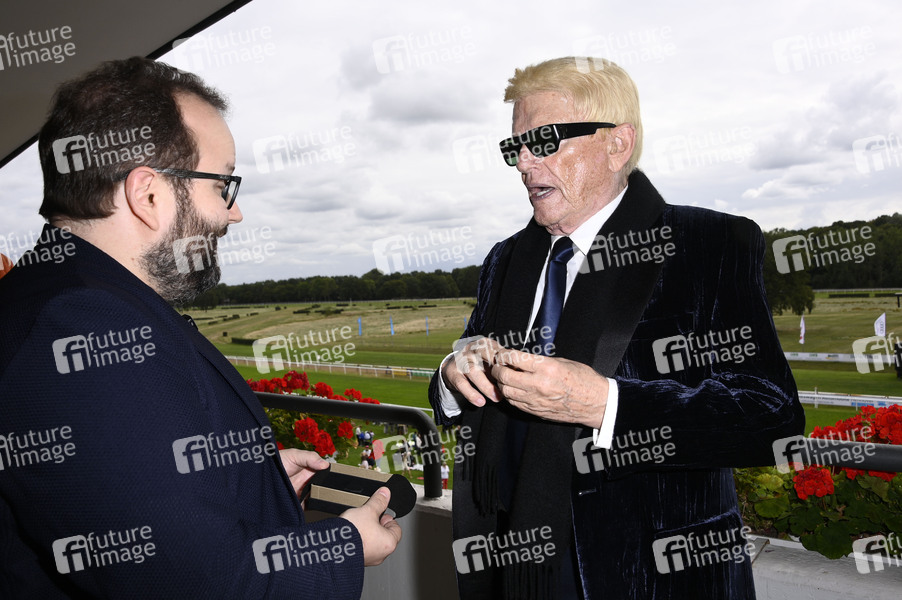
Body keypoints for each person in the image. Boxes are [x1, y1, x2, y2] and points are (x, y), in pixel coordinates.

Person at [0, 57, 400, 598]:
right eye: (223, 185)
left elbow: (126, 493)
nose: (233, 214)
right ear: (148, 195)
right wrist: (343, 545)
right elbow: (197, 583)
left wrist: (252, 481)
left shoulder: (58, 297)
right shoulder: (84, 327)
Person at [429, 56, 803, 599]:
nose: (524, 163)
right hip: (509, 567)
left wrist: (606, 405)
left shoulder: (711, 245)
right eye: (516, 147)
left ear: (617, 144)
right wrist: (452, 371)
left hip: (649, 578)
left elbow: (772, 416)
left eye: (544, 140)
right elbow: (464, 376)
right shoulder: (505, 260)